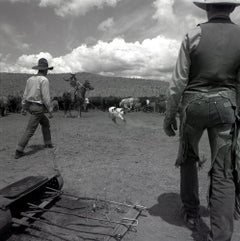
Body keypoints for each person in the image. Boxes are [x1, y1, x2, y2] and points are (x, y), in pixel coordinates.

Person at [163, 1, 240, 240]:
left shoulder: (192, 35)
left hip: (192, 106)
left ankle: (192, 213)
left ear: (206, 9)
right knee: (224, 170)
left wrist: (169, 115)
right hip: (226, 106)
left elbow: (177, 83)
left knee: (188, 159)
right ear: (232, 9)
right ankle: (222, 235)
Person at [15, 58, 54, 159]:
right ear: (45, 69)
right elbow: (46, 97)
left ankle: (48, 143)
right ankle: (19, 150)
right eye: (47, 70)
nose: (47, 72)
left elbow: (25, 94)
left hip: (30, 106)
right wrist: (50, 110)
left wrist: (23, 107)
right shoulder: (44, 80)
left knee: (45, 123)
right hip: (38, 108)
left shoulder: (30, 79)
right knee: (30, 129)